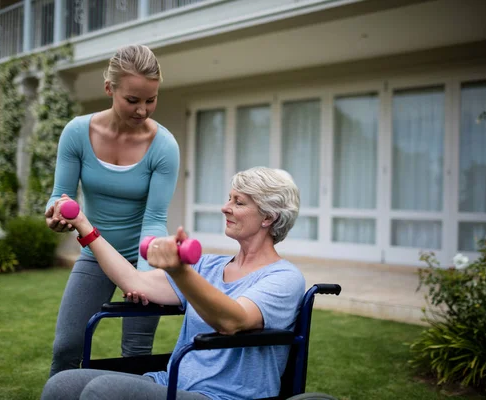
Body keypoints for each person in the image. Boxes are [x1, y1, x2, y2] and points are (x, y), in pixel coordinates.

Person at [41, 167, 306, 400]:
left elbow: (232, 320)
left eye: (238, 202)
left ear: (268, 217)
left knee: (103, 391)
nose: (225, 207)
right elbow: (135, 281)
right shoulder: (207, 266)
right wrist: (85, 226)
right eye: (229, 199)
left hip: (225, 395)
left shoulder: (283, 278)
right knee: (62, 385)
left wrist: (179, 271)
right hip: (171, 383)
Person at [44, 44, 180, 378]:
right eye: (132, 100)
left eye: (151, 99)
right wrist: (56, 213)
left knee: (135, 354)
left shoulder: (164, 146)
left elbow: (155, 219)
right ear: (109, 89)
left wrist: (144, 277)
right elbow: (58, 197)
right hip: (96, 251)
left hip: (144, 256)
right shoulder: (77, 133)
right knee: (66, 346)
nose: (143, 110)